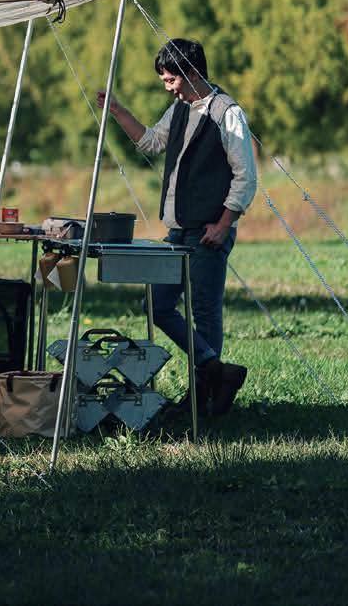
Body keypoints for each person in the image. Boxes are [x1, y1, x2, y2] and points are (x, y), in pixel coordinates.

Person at [98, 37, 258, 416]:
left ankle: (203, 397)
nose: (168, 87)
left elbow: (246, 177)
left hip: (208, 231)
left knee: (205, 313)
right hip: (178, 232)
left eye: (171, 79)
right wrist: (117, 111)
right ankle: (218, 373)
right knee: (157, 305)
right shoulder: (179, 109)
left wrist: (224, 224)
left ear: (191, 73)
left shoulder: (227, 113)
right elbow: (151, 142)